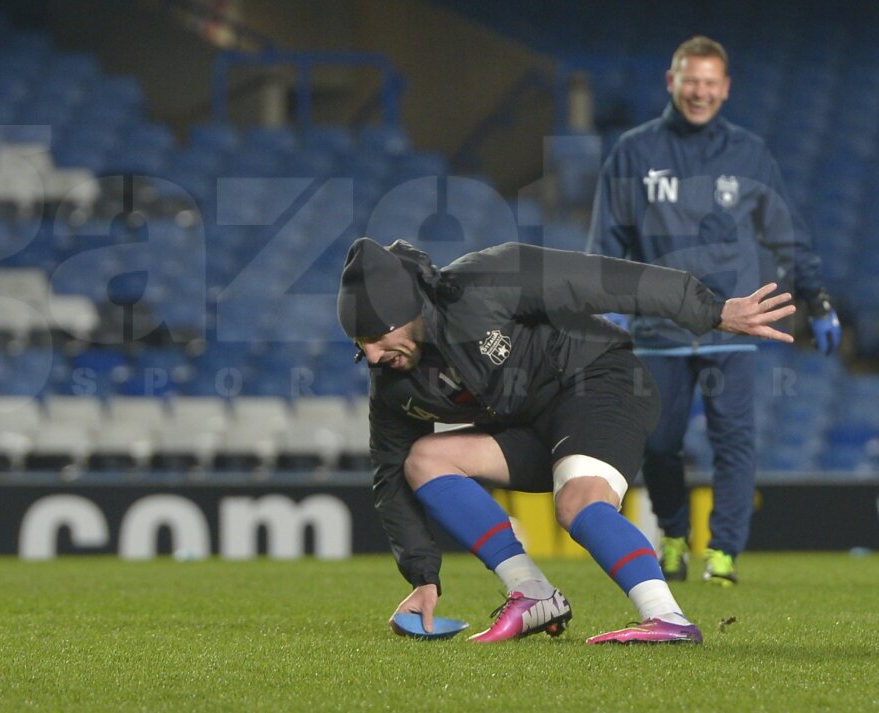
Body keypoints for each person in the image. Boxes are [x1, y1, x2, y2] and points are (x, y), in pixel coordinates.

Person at [336, 236, 795, 644]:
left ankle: (667, 618)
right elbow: (389, 472)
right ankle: (533, 594)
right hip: (534, 425)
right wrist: (422, 577)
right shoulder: (392, 380)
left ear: (408, 309)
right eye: (361, 343)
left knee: (576, 501)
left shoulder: (482, 282)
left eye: (377, 336)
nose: (372, 355)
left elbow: (605, 279)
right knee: (421, 460)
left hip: (599, 381)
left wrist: (711, 311)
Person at [586, 36, 840, 586]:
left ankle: (722, 553)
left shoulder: (750, 153)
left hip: (735, 324)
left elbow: (786, 232)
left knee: (734, 442)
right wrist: (605, 306)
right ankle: (674, 534)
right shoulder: (633, 150)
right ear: (671, 82)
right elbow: (608, 238)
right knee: (657, 443)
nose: (699, 91)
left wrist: (816, 298)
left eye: (709, 82)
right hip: (660, 327)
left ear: (725, 89)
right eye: (690, 79)